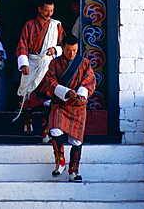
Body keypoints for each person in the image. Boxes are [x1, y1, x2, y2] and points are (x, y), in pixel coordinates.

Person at [44, 34, 96, 182]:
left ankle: (74, 171)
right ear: (63, 48)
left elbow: (90, 81)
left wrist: (80, 93)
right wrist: (66, 92)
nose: (71, 53)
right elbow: (50, 81)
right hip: (60, 103)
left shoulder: (85, 63)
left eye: (74, 50)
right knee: (55, 130)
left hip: (77, 105)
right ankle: (60, 161)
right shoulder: (54, 63)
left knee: (76, 140)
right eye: (68, 50)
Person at [14, 0, 65, 136]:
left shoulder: (56, 25)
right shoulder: (29, 25)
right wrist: (24, 64)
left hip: (48, 64)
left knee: (48, 94)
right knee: (28, 93)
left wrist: (54, 49)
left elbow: (63, 44)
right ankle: (27, 121)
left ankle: (46, 125)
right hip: (32, 62)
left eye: (51, 11)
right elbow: (22, 44)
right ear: (40, 9)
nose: (49, 14)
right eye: (46, 10)